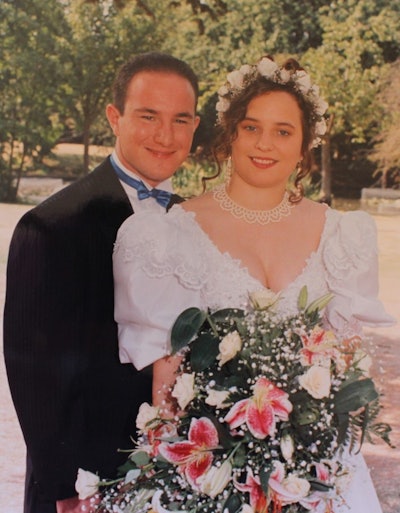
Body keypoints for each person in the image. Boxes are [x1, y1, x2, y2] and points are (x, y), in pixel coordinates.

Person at [112, 56, 395, 512]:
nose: (266, 144)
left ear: (305, 145)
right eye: (251, 127)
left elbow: (347, 364)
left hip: (317, 473)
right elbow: (166, 374)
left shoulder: (342, 234)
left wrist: (312, 450)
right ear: (230, 134)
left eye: (284, 131)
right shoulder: (170, 233)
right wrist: (168, 474)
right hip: (211, 474)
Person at [3, 51, 200, 513]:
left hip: (183, 481)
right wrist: (68, 491)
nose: (164, 135)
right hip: (86, 487)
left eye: (180, 120)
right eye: (148, 116)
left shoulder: (198, 223)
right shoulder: (51, 226)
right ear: (115, 117)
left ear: (195, 126)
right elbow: (36, 379)